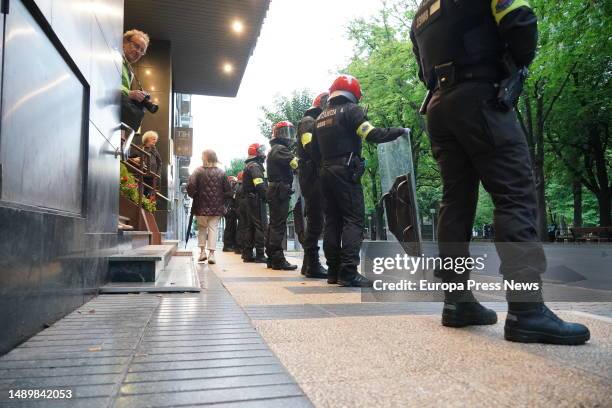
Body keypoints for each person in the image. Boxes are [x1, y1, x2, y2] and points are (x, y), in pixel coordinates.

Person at [410, 0, 589, 344]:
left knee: (456, 202)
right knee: (516, 194)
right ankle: (527, 311)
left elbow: (423, 70)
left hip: (439, 107)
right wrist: (514, 64)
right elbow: (519, 20)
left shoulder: (420, 12)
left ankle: (457, 302)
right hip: (479, 96)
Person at [312, 75, 406, 287]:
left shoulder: (320, 118)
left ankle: (333, 272)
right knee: (353, 220)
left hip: (325, 172)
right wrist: (398, 131)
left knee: (332, 221)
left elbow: (313, 151)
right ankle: (349, 272)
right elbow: (371, 134)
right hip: (345, 171)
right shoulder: (351, 110)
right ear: (353, 92)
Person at [296, 92, 329, 279]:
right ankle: (313, 265)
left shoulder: (312, 121)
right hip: (312, 176)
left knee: (316, 221)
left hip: (312, 176)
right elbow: (310, 146)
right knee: (316, 222)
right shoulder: (309, 122)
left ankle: (308, 264)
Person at [187, 150, 232, 264]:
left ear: (205, 158)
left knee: (202, 228)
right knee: (213, 228)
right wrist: (223, 203)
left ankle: (202, 253)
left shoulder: (197, 171)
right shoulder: (221, 173)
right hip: (216, 207)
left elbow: (191, 186)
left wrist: (194, 195)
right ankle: (211, 254)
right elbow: (228, 191)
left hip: (200, 206)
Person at [265, 122, 299, 270]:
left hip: (276, 190)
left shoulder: (275, 149)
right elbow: (296, 164)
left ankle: (272, 257)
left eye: (290, 132)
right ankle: (277, 258)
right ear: (277, 134)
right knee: (278, 225)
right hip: (280, 190)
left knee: (274, 224)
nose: (288, 136)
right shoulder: (281, 149)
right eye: (285, 132)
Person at [242, 144, 268, 263]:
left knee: (251, 226)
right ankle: (260, 254)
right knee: (259, 226)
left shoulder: (249, 165)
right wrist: (266, 196)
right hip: (256, 199)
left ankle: (247, 254)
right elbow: (259, 183)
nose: (263, 153)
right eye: (261, 151)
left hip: (250, 199)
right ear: (255, 153)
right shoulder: (255, 166)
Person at [131, 130, 162, 199]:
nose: (155, 141)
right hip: (141, 176)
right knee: (140, 194)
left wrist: (158, 174)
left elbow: (160, 163)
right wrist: (134, 160)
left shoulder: (155, 150)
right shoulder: (139, 148)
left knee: (149, 196)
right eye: (153, 139)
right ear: (148, 138)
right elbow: (128, 159)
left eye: (156, 139)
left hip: (152, 177)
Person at [122, 29, 149, 104]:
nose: (138, 52)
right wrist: (129, 93)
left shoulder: (129, 70)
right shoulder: (115, 59)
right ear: (125, 42)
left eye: (142, 51)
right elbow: (106, 83)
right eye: (136, 46)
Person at [223, 176, 239, 252]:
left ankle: (230, 244)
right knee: (230, 228)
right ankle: (227, 245)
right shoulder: (229, 191)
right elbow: (235, 197)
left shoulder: (227, 190)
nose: (234, 184)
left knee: (232, 227)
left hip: (230, 210)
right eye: (233, 182)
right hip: (230, 210)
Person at [234, 171, 247, 255]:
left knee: (240, 228)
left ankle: (238, 247)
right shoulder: (242, 186)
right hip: (242, 209)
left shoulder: (237, 186)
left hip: (238, 209)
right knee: (242, 228)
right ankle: (240, 247)